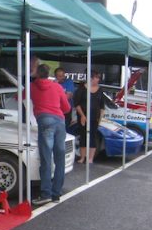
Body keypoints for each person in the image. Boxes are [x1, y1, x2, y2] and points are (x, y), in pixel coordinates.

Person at [29, 64, 71, 206]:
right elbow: (67, 107)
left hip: (44, 120)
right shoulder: (57, 87)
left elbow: (18, 96)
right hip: (59, 121)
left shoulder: (32, 86)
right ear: (49, 74)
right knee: (60, 158)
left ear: (37, 74)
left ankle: (45, 193)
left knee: (46, 159)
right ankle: (56, 194)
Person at [74, 70, 106, 164]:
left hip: (94, 118)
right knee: (83, 136)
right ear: (91, 78)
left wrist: (100, 119)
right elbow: (77, 104)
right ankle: (82, 157)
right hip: (83, 117)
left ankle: (90, 158)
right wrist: (82, 116)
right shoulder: (82, 89)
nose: (98, 79)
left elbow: (102, 106)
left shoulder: (100, 90)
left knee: (92, 137)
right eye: (97, 77)